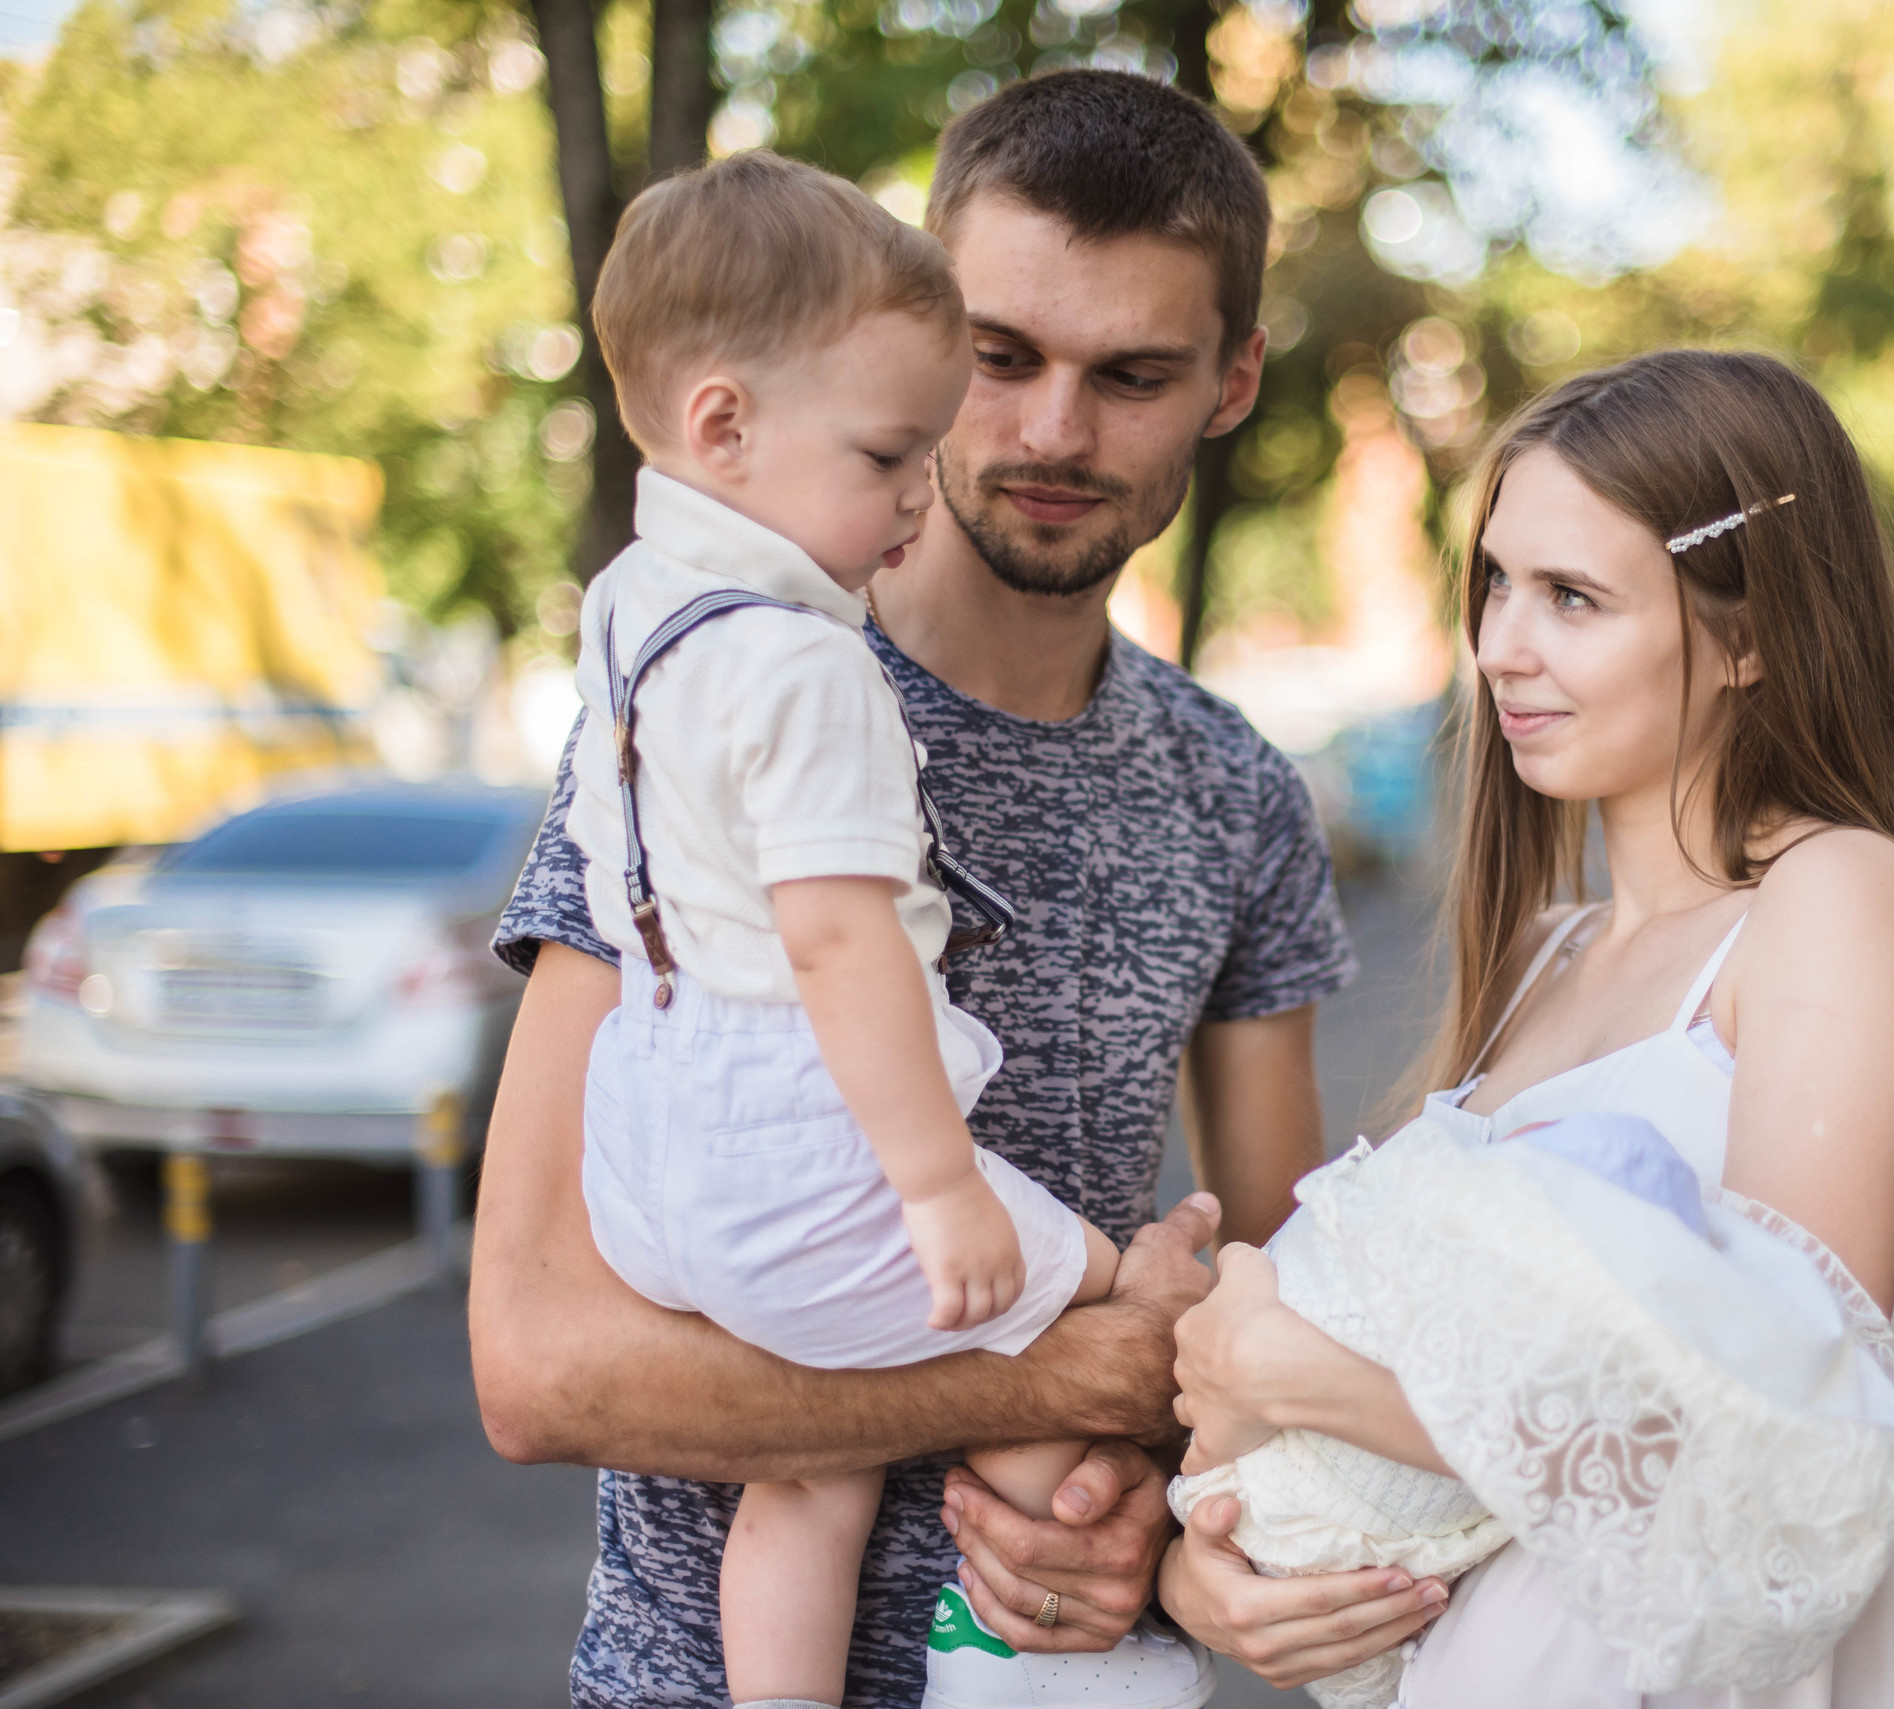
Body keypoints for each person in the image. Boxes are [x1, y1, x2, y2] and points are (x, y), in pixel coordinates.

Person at [473, 71, 1442, 1709]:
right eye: (1001, 357)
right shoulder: (715, 700)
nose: (1053, 431)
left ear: (1233, 381)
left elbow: (1272, 1310)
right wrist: (1066, 1369)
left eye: (1132, 374)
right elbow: (538, 1364)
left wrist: (1175, 1517)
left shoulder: (1237, 793)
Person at [1160, 349, 1894, 1706]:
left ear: (1748, 633)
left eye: (1573, 596)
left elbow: (1780, 1443)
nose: (1500, 647)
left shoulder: (1835, 902)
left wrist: (1303, 1376)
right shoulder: (1548, 958)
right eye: (1494, 583)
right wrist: (1216, 1568)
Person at [561, 150, 1142, 1709]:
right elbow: (838, 940)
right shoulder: (812, 666)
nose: (914, 495)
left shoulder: (631, 602)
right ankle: (1072, 1668)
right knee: (1091, 1290)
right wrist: (943, 1185)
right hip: (794, 1149)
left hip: (651, 1159)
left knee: (810, 1471)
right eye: (890, 455)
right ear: (726, 425)